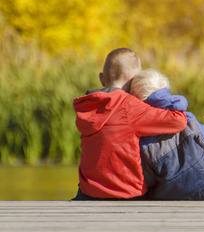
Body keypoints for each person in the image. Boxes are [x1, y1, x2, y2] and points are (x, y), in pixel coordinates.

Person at [72, 48, 187, 200]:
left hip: (88, 193)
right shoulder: (129, 106)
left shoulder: (87, 105)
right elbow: (178, 121)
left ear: (101, 78)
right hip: (127, 194)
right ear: (135, 80)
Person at [130, 69, 204, 200]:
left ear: (136, 99)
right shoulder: (188, 119)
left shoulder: (143, 138)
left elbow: (146, 179)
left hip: (172, 194)